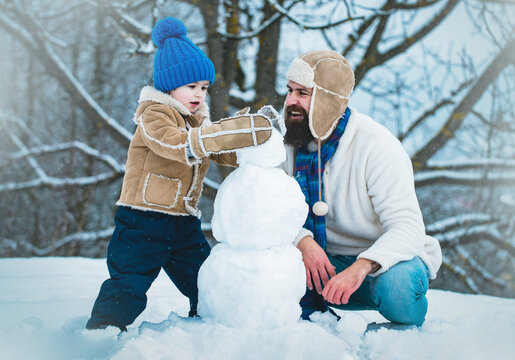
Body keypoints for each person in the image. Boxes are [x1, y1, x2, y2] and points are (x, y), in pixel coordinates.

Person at [86, 17, 272, 331]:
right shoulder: (154, 114)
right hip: (143, 220)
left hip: (183, 224)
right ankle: (100, 334)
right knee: (128, 283)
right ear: (169, 85)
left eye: (204, 87)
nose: (199, 94)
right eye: (191, 86)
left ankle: (209, 328)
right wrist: (218, 133)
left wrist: (250, 141)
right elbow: (174, 144)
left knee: (206, 279)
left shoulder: (197, 121)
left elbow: (219, 150)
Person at [281, 50, 442, 326]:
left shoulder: (377, 145)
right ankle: (305, 327)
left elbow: (408, 227)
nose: (291, 102)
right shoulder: (288, 139)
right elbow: (269, 209)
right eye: (290, 91)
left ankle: (401, 339)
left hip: (380, 266)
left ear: (328, 100)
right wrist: (302, 240)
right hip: (321, 264)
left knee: (397, 286)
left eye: (303, 93)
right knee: (261, 266)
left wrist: (362, 266)